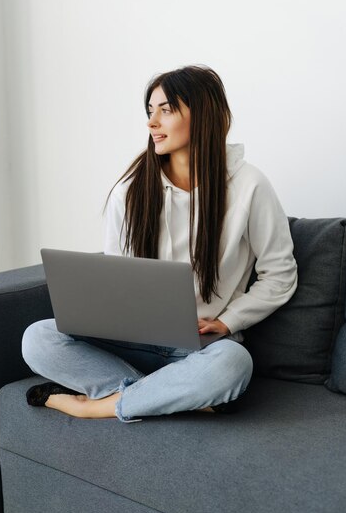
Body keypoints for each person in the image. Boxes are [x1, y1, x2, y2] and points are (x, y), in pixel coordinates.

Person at [22, 64, 298, 423]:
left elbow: (280, 274)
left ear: (203, 114)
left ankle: (100, 406)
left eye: (165, 110)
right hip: (133, 341)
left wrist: (229, 321)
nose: (152, 123)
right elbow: (116, 277)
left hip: (200, 349)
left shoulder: (250, 185)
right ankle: (170, 395)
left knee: (234, 364)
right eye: (150, 112)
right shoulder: (130, 190)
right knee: (37, 338)